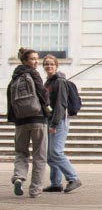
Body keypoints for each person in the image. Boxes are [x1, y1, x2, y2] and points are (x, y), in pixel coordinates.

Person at [7, 47, 49, 198]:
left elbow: (10, 100)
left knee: (21, 153)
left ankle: (18, 177)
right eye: (33, 59)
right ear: (25, 60)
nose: (36, 61)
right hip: (38, 119)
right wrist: (47, 108)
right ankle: (35, 189)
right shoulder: (33, 74)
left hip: (20, 122)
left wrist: (14, 119)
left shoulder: (15, 77)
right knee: (39, 155)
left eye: (37, 58)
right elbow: (43, 94)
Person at [42, 55, 82, 193]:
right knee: (49, 154)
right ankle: (56, 183)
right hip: (51, 119)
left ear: (56, 65)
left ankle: (73, 178)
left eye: (51, 64)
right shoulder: (48, 83)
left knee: (55, 152)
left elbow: (61, 104)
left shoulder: (59, 81)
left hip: (59, 121)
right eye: (46, 64)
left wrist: (54, 124)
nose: (49, 66)